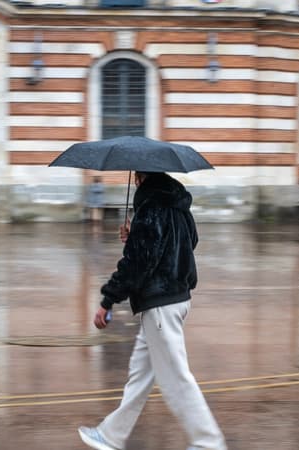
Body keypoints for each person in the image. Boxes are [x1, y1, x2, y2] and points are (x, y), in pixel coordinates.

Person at [78, 172, 227, 450]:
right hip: (176, 298)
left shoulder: (150, 205)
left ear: (140, 177)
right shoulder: (176, 200)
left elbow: (139, 263)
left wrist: (108, 300)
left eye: (135, 176)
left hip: (160, 304)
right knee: (139, 375)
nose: (134, 181)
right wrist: (135, 235)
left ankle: (208, 442)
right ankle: (111, 435)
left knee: (175, 378)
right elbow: (189, 241)